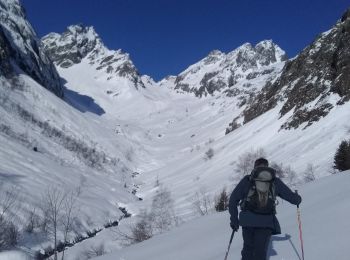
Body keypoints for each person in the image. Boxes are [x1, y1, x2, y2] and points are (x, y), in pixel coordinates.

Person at [229, 158, 302, 260]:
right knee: (260, 252)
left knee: (248, 249)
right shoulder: (274, 181)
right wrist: (297, 199)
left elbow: (233, 199)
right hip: (266, 222)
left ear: (255, 167)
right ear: (267, 167)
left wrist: (234, 220)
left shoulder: (248, 180)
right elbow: (291, 198)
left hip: (247, 221)